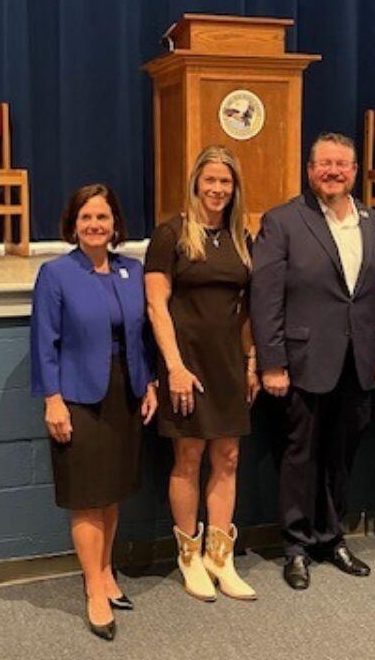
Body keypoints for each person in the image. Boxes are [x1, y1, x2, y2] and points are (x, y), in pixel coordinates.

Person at [250, 131, 375, 590]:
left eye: (342, 164)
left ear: (354, 172)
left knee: (342, 455)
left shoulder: (374, 223)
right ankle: (295, 545)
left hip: (360, 362)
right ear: (309, 170)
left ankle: (332, 537)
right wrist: (272, 363)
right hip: (303, 361)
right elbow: (266, 297)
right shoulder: (282, 221)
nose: (333, 171)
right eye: (324, 164)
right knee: (300, 456)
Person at [30, 184, 159, 640]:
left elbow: (141, 336)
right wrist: (52, 399)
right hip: (78, 396)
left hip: (125, 392)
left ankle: (106, 571)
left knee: (112, 490)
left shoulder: (132, 270)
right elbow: (44, 343)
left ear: (115, 224)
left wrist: (149, 384)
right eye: (86, 217)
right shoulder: (56, 274)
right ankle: (93, 588)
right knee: (87, 494)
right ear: (73, 224)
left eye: (102, 217)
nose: (95, 225)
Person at [145, 145, 260, 602]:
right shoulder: (170, 233)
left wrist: (250, 360)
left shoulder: (239, 237)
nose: (217, 189)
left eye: (225, 182)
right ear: (196, 182)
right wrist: (173, 367)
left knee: (228, 458)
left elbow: (248, 307)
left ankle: (220, 558)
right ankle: (189, 558)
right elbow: (156, 304)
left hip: (229, 362)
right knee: (189, 458)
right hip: (185, 364)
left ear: (235, 189)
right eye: (210, 180)